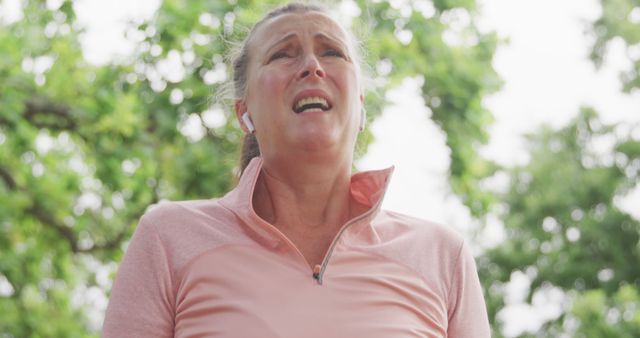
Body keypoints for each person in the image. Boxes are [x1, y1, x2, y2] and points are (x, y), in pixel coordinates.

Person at [102, 2, 491, 337]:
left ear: (360, 105)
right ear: (245, 111)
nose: (311, 66)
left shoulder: (442, 255)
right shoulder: (168, 238)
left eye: (332, 52)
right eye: (283, 54)